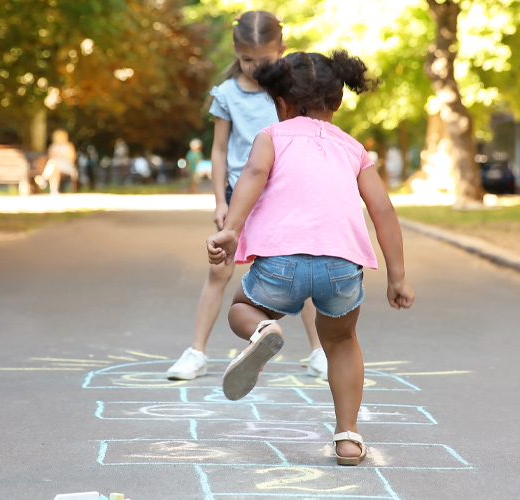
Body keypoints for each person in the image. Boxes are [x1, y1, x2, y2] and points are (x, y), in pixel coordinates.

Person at [205, 49, 415, 466]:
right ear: (337, 101)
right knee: (340, 342)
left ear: (281, 102)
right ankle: (349, 438)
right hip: (340, 267)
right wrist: (397, 277)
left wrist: (231, 229)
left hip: (281, 261)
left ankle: (264, 329)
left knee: (242, 309)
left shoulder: (272, 136)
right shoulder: (353, 149)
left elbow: (252, 176)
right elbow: (383, 210)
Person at [165, 10, 329, 382]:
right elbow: (220, 150)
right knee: (218, 273)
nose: (255, 68)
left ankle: (319, 351)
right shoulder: (226, 94)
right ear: (237, 53)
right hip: (238, 195)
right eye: (247, 60)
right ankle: (196, 353)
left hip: (282, 196)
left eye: (264, 60)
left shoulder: (290, 91)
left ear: (282, 51)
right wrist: (220, 201)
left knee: (297, 275)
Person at [36, 129, 78, 195]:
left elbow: (72, 158)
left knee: (53, 164)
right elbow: (51, 157)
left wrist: (62, 155)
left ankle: (44, 178)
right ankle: (54, 190)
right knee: (54, 167)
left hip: (67, 166)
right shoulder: (53, 146)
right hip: (56, 166)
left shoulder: (69, 146)